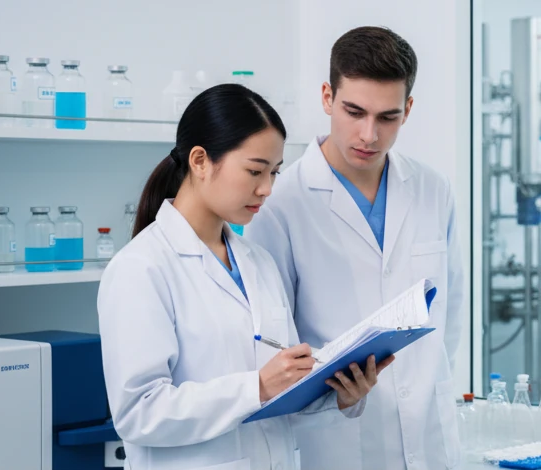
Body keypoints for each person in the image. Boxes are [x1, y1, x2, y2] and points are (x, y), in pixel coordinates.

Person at [97, 84, 393, 470]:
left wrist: (337, 394)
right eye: (255, 171)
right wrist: (256, 386)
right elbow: (139, 412)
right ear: (200, 161)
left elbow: (279, 393)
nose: (267, 188)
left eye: (273, 172)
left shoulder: (259, 263)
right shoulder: (141, 268)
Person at [244, 26, 464, 470]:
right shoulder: (281, 202)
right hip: (337, 440)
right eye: (354, 111)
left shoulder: (431, 189)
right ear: (327, 97)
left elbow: (451, 313)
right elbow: (273, 341)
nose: (369, 135)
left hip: (430, 434)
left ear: (408, 110)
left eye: (388, 117)